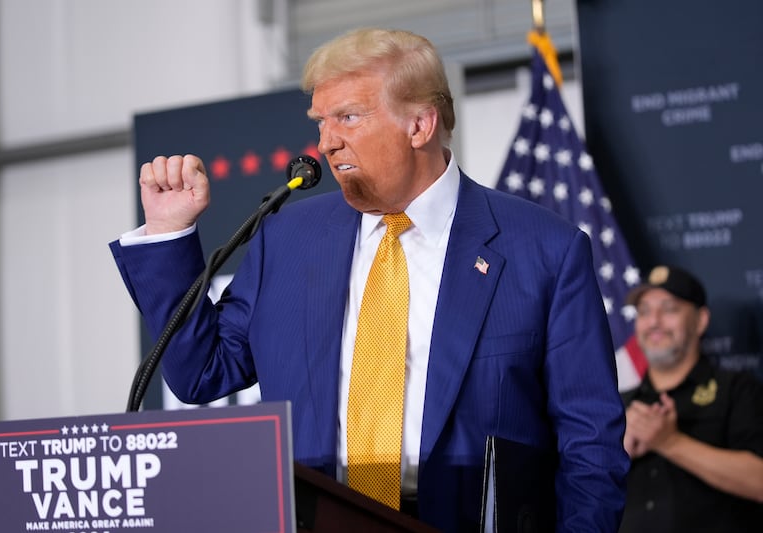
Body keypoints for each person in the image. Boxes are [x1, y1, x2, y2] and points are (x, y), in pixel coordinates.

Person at [110, 28, 628, 531]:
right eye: (321, 123)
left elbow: (591, 445)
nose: (326, 143)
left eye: (348, 118)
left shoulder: (543, 249)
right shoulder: (287, 238)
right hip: (318, 518)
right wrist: (169, 234)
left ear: (420, 125)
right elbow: (202, 372)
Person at [619, 265, 763, 532]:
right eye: (644, 312)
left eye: (669, 309)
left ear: (701, 320)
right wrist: (614, 456)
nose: (654, 322)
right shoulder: (617, 407)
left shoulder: (738, 390)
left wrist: (669, 442)